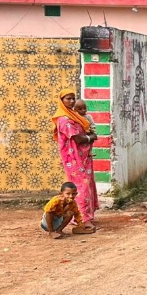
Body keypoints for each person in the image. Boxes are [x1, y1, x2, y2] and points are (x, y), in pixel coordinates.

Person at [53, 89, 98, 232]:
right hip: (73, 159)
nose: (72, 101)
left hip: (83, 157)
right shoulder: (64, 119)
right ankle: (82, 221)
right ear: (62, 101)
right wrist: (91, 137)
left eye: (73, 98)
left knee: (87, 185)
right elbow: (78, 139)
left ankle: (83, 216)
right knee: (81, 187)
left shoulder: (74, 116)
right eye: (68, 99)